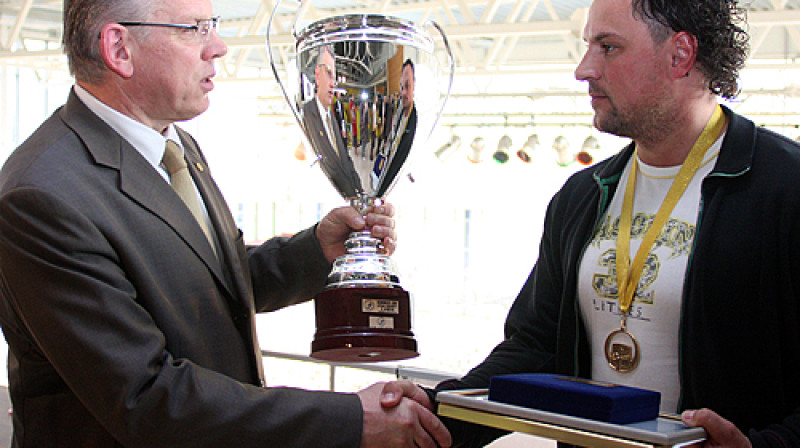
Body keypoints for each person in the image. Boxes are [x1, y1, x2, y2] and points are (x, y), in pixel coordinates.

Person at [0, 1, 452, 447]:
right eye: (194, 28)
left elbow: (208, 281)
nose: (218, 46)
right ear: (119, 49)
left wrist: (317, 251)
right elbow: (148, 399)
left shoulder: (177, 148)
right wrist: (350, 420)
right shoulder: (43, 197)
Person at [426, 0, 800, 447]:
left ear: (680, 55)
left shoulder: (784, 190)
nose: (584, 69)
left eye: (608, 47)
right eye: (589, 46)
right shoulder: (583, 195)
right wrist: (433, 413)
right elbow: (537, 348)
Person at [301, 44, 361, 199]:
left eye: (334, 77)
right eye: (328, 74)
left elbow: (345, 160)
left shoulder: (332, 118)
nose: (333, 83)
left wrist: (360, 193)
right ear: (317, 73)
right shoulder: (306, 115)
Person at [375, 59, 417, 198]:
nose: (403, 92)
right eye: (401, 86)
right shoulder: (398, 112)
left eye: (407, 86)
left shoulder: (416, 122)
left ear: (415, 86)